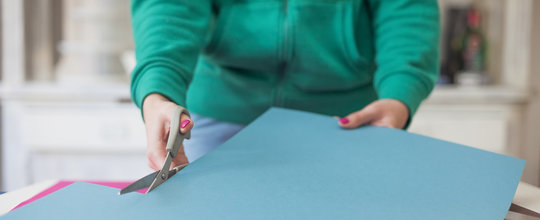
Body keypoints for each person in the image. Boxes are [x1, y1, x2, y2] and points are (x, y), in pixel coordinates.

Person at [130, 0, 440, 171]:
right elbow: (171, 6)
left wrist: (400, 93)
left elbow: (406, 7)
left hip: (347, 124)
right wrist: (159, 90)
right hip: (217, 117)